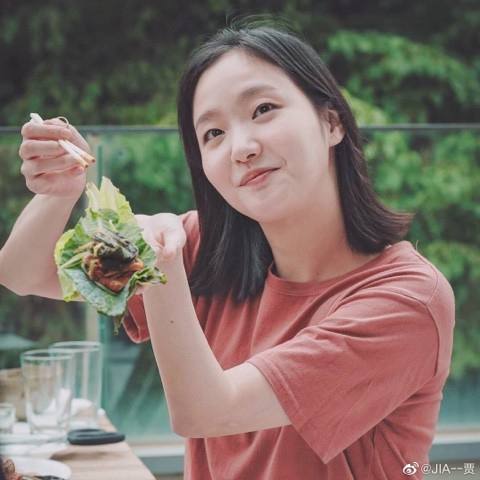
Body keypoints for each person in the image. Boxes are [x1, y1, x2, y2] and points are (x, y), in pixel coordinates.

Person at [0, 21, 454, 480]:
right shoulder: (206, 247)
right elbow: (23, 273)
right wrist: (61, 191)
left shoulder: (408, 301)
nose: (241, 148)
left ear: (331, 121)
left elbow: (207, 412)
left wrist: (157, 266)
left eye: (263, 109)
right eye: (213, 133)